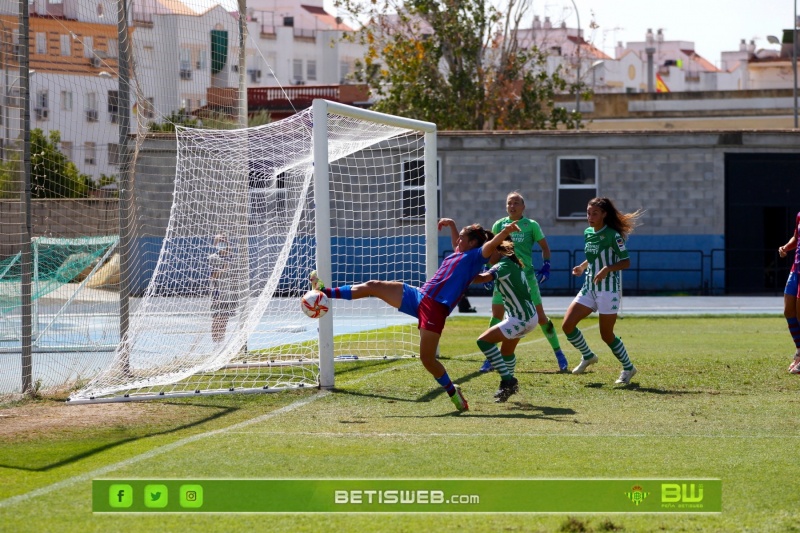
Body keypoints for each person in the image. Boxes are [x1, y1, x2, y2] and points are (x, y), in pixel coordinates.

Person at [311, 218, 520, 412]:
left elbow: (490, 246)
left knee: (427, 359)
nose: (457, 241)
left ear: (473, 242)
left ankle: (452, 391)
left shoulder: (475, 257)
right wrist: (453, 225)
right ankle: (324, 291)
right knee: (373, 285)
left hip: (435, 309)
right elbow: (460, 243)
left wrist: (506, 231)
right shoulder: (461, 253)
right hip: (418, 296)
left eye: (462, 238)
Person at [480, 191, 568, 373]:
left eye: (516, 203)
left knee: (541, 317)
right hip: (503, 275)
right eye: (509, 203)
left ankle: (559, 353)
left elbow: (545, 247)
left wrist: (546, 265)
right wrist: (486, 271)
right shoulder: (499, 224)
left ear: (523, 207)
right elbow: (490, 248)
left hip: (526, 278)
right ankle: (490, 359)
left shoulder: (531, 225)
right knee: (497, 315)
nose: (512, 206)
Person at [562, 197, 644, 385]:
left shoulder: (613, 235)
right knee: (567, 325)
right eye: (588, 213)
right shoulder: (588, 232)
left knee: (606, 335)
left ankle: (628, 368)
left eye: (595, 213)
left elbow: (626, 262)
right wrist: (582, 267)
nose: (590, 216)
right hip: (589, 286)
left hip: (608, 290)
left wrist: (607, 268)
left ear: (604, 214)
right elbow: (593, 256)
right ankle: (588, 355)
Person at [472, 237, 538, 402]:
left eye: (488, 251)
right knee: (507, 352)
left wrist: (460, 272)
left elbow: (481, 279)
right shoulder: (513, 263)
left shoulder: (502, 266)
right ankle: (507, 389)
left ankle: (508, 380)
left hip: (520, 318)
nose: (485, 255)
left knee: (483, 341)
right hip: (527, 316)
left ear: (496, 250)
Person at [778, 211, 800, 373]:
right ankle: (799, 351)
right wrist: (786, 247)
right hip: (796, 268)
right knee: (788, 311)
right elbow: (796, 237)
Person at [209, 234, 237, 343]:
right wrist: (223, 269)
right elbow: (212, 276)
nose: (221, 243)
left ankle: (221, 342)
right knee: (216, 319)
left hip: (229, 294)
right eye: (219, 241)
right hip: (217, 294)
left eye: (223, 241)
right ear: (215, 244)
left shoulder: (232, 258)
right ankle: (215, 343)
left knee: (225, 320)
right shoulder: (213, 258)